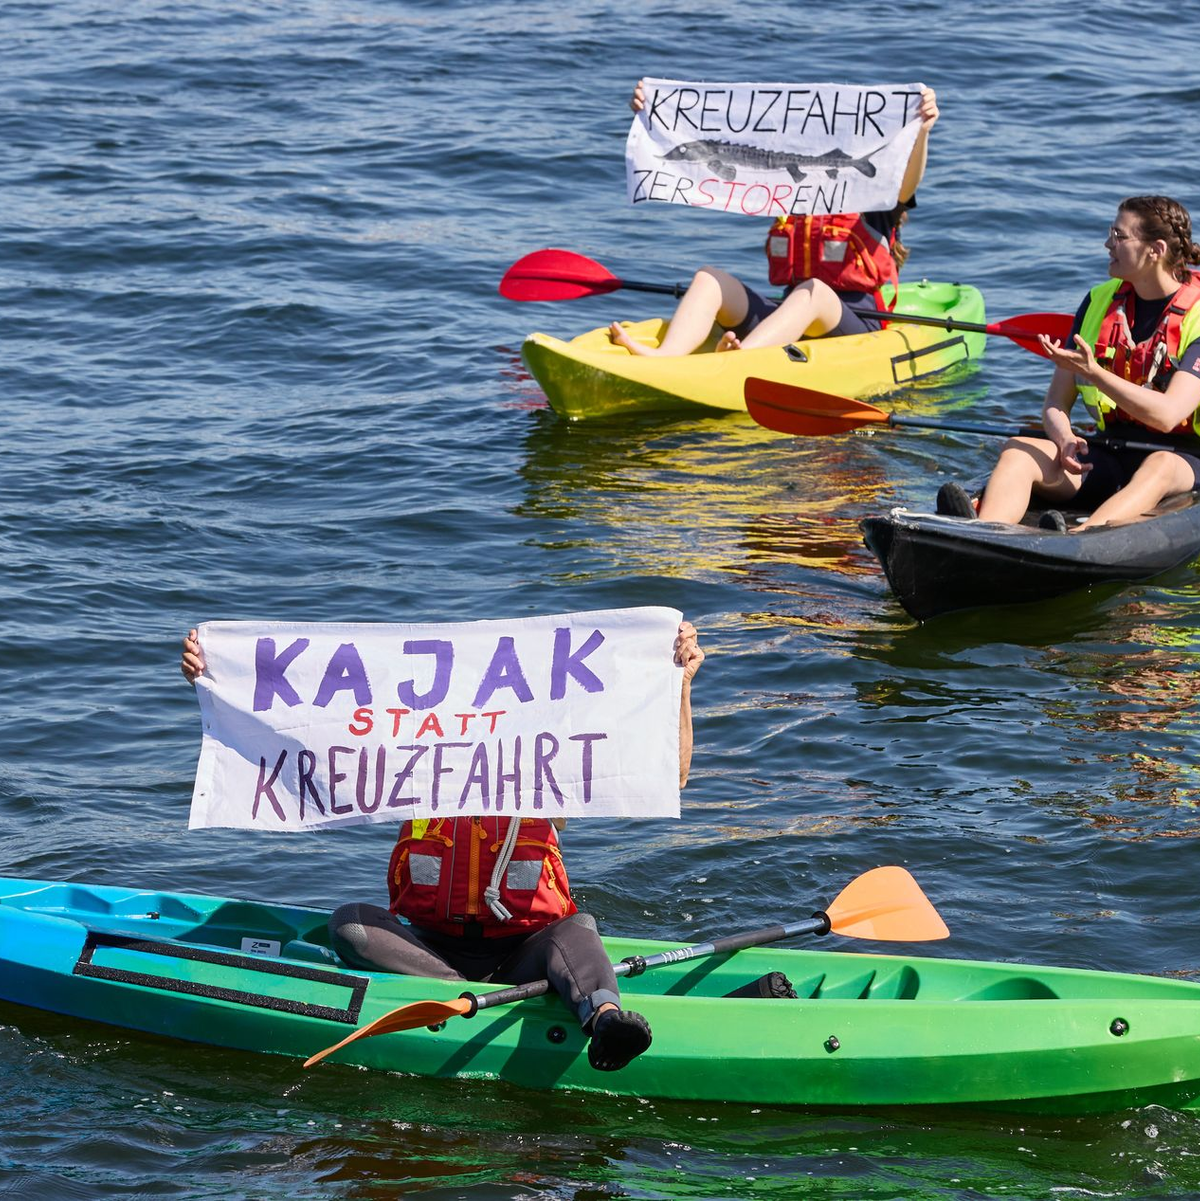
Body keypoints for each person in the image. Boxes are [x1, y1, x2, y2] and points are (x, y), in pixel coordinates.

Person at [180, 620, 704, 1073]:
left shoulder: (545, 775)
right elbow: (301, 735)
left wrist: (679, 683)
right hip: (429, 949)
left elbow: (668, 776)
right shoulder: (412, 765)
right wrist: (219, 681)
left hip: (526, 951)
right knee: (349, 923)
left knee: (579, 928)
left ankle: (607, 1021)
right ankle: (461, 994)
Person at [608, 82, 939, 357]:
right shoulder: (789, 190)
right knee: (709, 278)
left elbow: (907, 183)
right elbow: (702, 159)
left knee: (814, 291)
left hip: (855, 326)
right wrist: (655, 115)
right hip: (787, 320)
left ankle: (738, 360)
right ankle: (666, 356)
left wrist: (921, 130)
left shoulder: (876, 193)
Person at [939, 196, 1200, 531]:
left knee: (1160, 465)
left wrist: (1094, 373)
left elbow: (1167, 415)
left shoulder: (1195, 316)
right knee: (1020, 449)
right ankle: (983, 534)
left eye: (1120, 237)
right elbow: (1056, 401)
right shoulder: (1098, 302)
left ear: (1156, 249)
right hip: (1110, 451)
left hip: (1183, 459)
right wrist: (1063, 438)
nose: (1108, 243)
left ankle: (1080, 539)